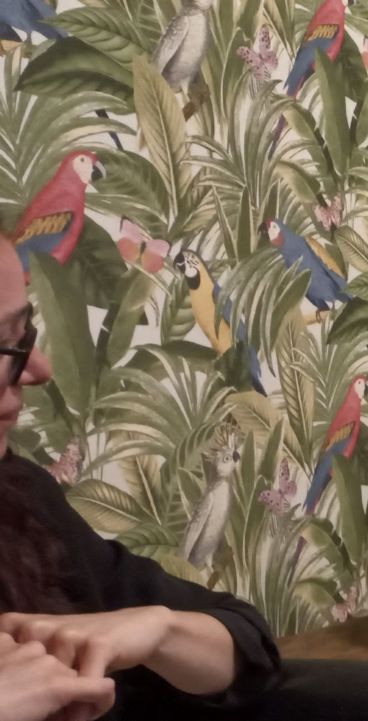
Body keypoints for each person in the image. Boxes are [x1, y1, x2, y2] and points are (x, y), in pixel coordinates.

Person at [0, 239, 281, 721]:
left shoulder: (23, 500)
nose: (39, 370)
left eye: (23, 334)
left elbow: (246, 642)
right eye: (6, 343)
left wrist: (160, 630)